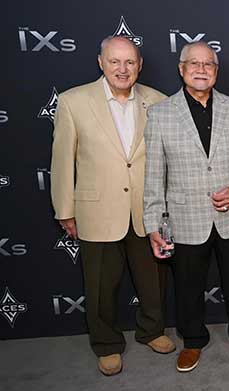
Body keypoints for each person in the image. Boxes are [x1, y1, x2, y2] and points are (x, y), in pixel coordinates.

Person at [50, 36, 173, 376]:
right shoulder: (74, 101)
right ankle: (105, 344)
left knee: (154, 280)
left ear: (140, 65)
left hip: (146, 209)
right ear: (100, 62)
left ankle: (152, 330)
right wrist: (65, 210)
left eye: (130, 62)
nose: (123, 69)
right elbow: (62, 161)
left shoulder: (158, 101)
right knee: (101, 284)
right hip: (97, 208)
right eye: (115, 61)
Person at [143, 42, 229, 372]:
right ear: (181, 69)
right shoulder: (160, 113)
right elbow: (154, 174)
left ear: (216, 71)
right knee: (187, 286)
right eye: (193, 64)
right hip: (185, 217)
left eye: (208, 64)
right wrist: (152, 224)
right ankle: (193, 340)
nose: (201, 69)